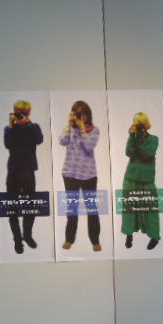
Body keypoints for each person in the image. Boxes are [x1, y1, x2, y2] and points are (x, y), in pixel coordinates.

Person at [59, 100, 102, 251]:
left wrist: (83, 129)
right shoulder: (71, 128)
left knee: (92, 208)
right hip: (70, 173)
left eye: (82, 114)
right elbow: (62, 142)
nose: (79, 116)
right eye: (77, 113)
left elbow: (89, 146)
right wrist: (68, 125)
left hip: (88, 174)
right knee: (72, 208)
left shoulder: (94, 130)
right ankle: (69, 239)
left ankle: (95, 240)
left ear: (87, 115)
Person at [3, 100, 44, 254]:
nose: (23, 115)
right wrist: (12, 126)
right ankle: (17, 239)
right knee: (12, 207)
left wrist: (29, 124)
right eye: (20, 112)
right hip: (13, 171)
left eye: (25, 112)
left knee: (30, 206)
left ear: (29, 112)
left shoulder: (34, 126)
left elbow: (39, 140)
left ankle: (27, 235)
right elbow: (8, 144)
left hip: (28, 171)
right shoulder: (9, 128)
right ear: (14, 112)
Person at [120, 112, 160, 250]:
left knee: (151, 209)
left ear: (147, 124)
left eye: (142, 124)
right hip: (130, 178)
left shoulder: (154, 139)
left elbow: (147, 154)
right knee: (129, 209)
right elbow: (128, 152)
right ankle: (129, 235)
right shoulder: (133, 137)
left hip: (147, 179)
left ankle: (154, 236)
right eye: (138, 124)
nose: (141, 127)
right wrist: (132, 136)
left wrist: (138, 139)